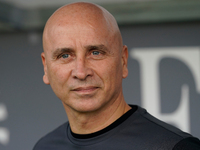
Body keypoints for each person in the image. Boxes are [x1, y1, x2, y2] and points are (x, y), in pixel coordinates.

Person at [33, 2, 200, 150]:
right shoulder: (44, 146)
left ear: (123, 61)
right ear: (46, 67)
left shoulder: (175, 147)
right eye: (65, 56)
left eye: (95, 53)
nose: (81, 72)